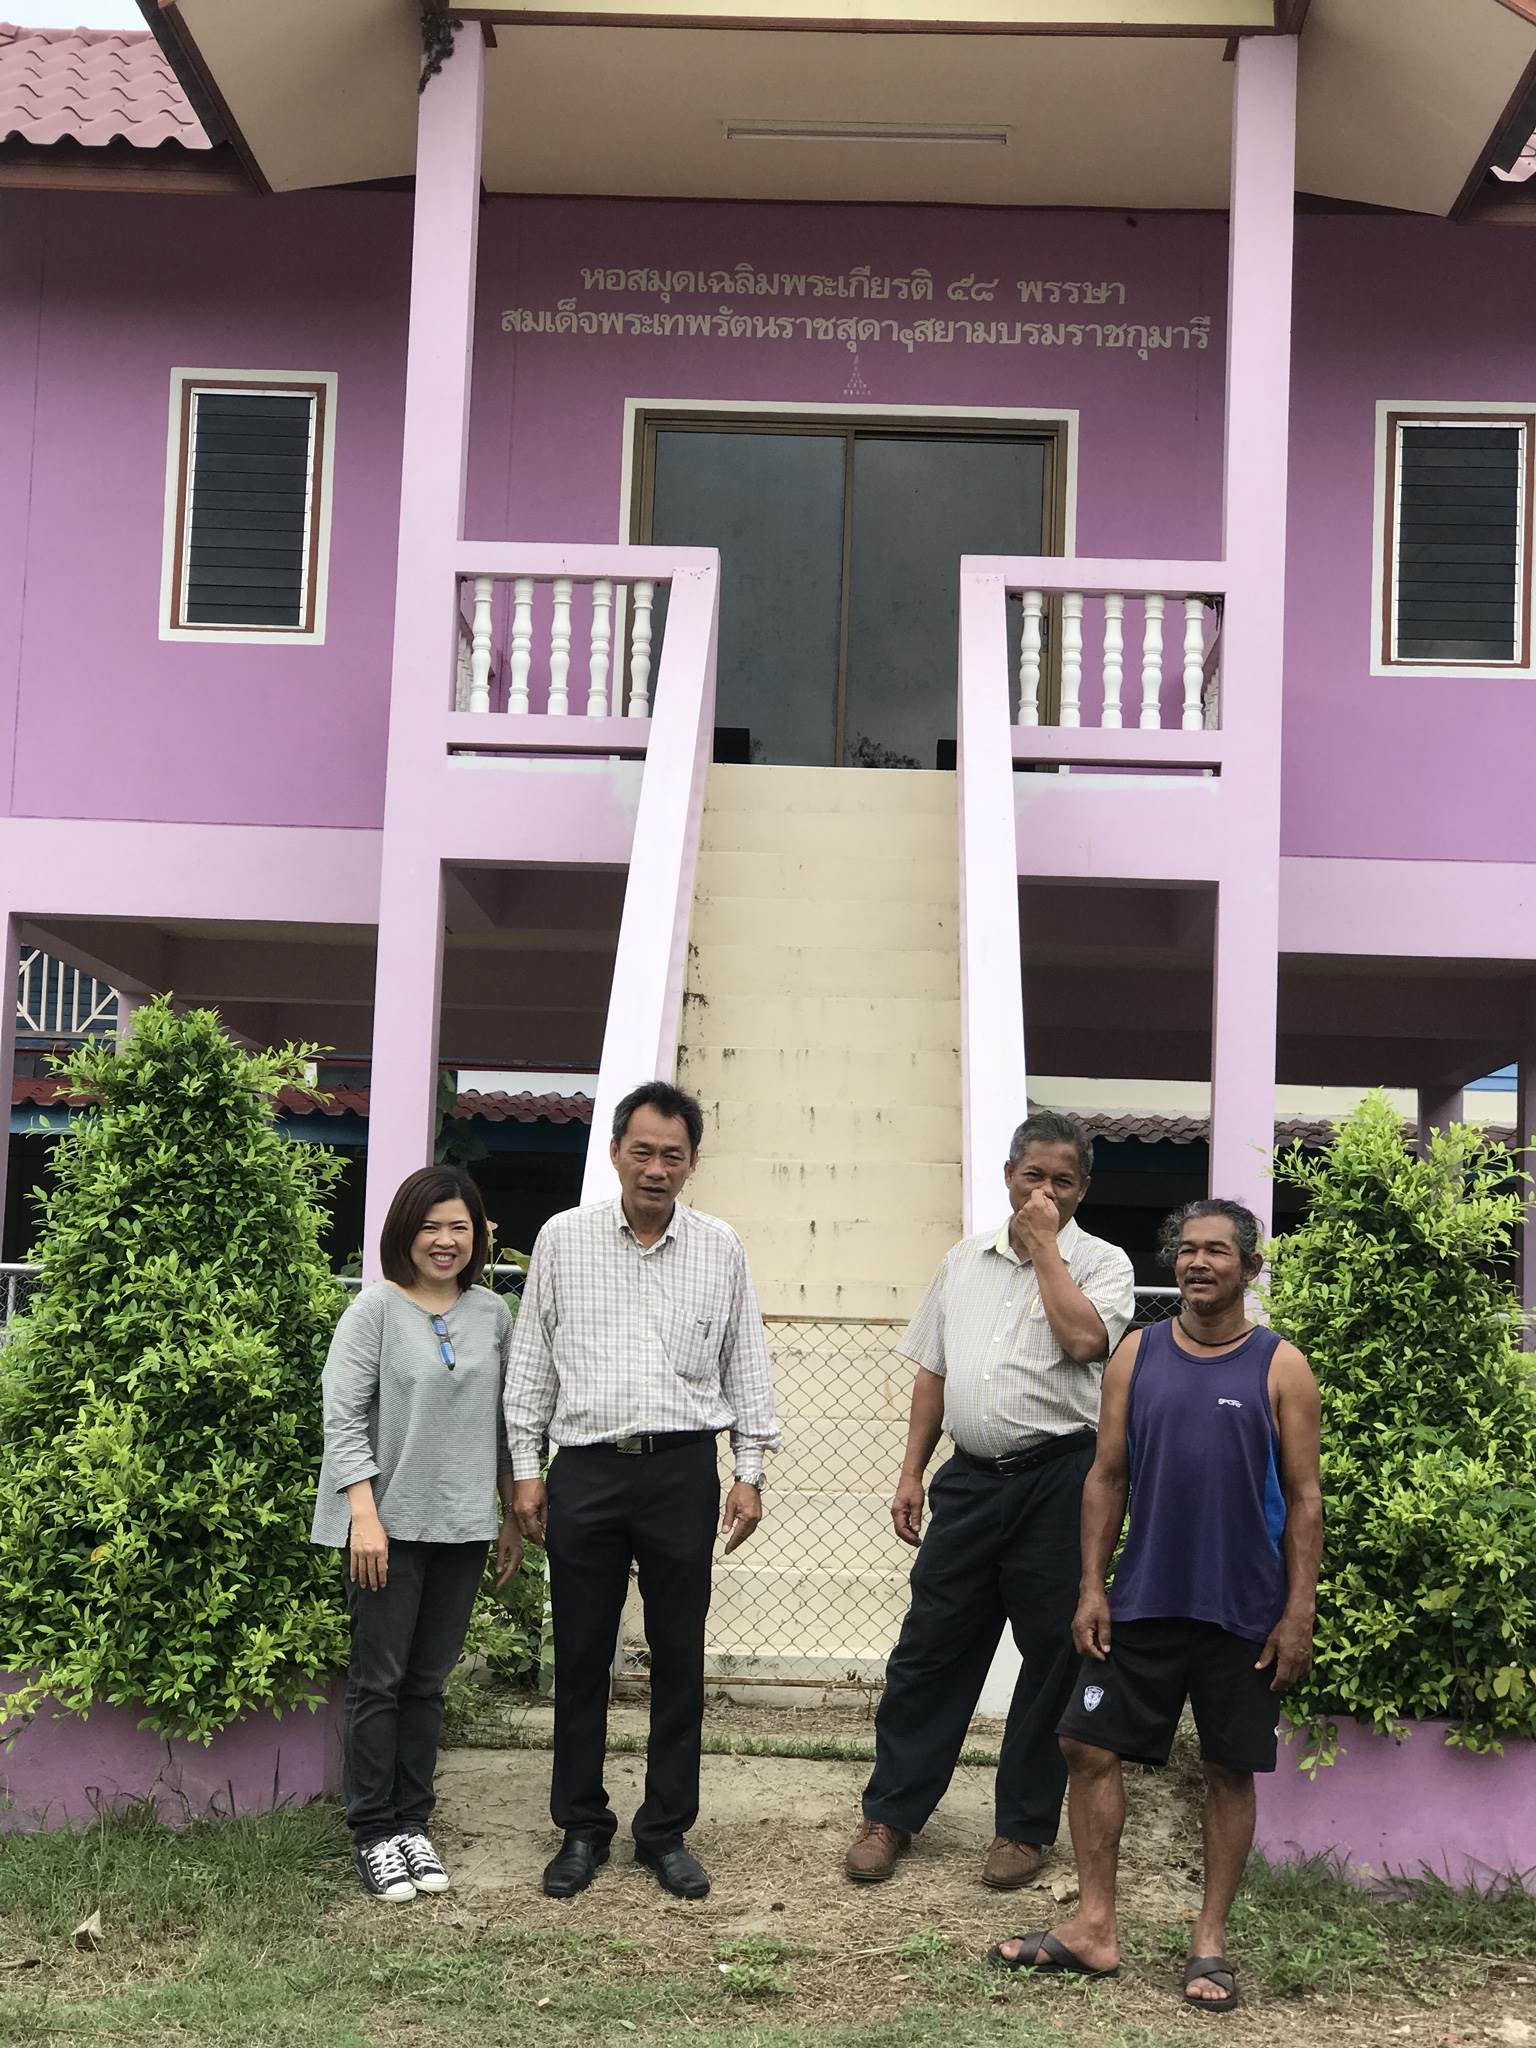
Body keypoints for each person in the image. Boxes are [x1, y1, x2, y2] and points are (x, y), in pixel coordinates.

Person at [989, 1198, 1323, 2014]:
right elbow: (1106, 1475)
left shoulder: (1282, 1367)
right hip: (1143, 1598)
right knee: (1083, 1743)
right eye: (1186, 1250)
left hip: (1243, 1611)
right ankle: (1094, 1927)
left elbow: (1306, 1499)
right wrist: (1091, 1586)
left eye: (1217, 1251)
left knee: (1227, 1769)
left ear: (1250, 1267)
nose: (1197, 1262)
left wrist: (1298, 1613)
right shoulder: (1137, 1354)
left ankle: (1208, 1942)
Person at [504, 1079, 780, 1902]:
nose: (656, 1168)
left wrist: (750, 1474)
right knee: (581, 1655)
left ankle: (664, 1831)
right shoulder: (563, 1239)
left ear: (693, 1163)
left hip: (680, 1472)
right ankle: (581, 1827)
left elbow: (746, 1363)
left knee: (679, 1656)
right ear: (615, 1153)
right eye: (642, 1151)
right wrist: (526, 1468)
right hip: (585, 1470)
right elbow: (532, 1361)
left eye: (673, 1155)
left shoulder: (720, 1247)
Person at [844, 1110, 1136, 1890]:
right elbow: (933, 1370)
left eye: (1063, 1181)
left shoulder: (1102, 1263)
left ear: (1082, 1189)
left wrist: (1045, 1252)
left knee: (1052, 1658)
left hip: (1060, 1480)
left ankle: (1022, 1830)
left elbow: (1085, 1342)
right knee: (929, 1649)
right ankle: (891, 1814)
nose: (1046, 1191)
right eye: (1033, 1175)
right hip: (970, 1480)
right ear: (1009, 1175)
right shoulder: (963, 1260)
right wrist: (912, 1470)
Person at [312, 1165, 521, 1902]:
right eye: (431, 1226)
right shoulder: (374, 1309)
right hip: (386, 1528)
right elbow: (342, 1416)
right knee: (379, 1682)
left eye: (459, 1226)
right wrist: (364, 1516)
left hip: (462, 1526)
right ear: (405, 1231)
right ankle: (374, 1831)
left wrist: (509, 1512)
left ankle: (412, 1826)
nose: (445, 1240)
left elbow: (504, 1422)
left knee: (427, 1684)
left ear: (476, 1235)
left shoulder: (491, 1314)